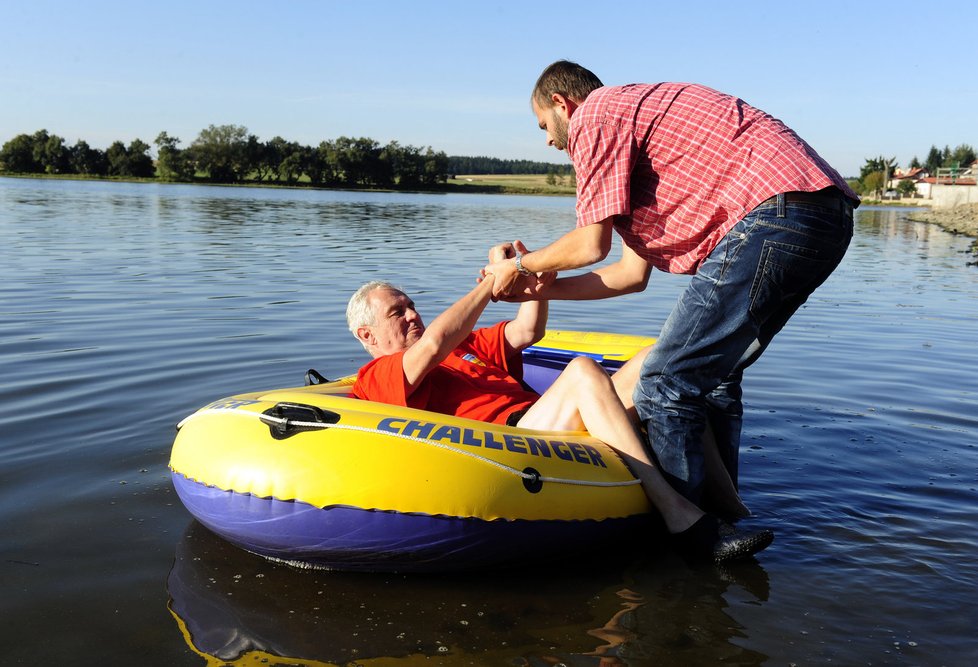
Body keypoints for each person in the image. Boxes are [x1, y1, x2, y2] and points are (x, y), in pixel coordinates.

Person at [483, 60, 857, 515]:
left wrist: (519, 266)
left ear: (563, 103)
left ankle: (691, 528)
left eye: (544, 124)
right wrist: (534, 292)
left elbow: (589, 245)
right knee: (713, 377)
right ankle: (727, 515)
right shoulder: (639, 134)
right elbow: (629, 275)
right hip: (824, 216)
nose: (547, 139)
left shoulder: (595, 115)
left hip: (773, 215)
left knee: (664, 381)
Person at [346, 255, 773, 563]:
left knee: (663, 365)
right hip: (507, 444)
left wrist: (529, 272)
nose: (413, 314)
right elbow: (436, 342)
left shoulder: (468, 347)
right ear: (368, 333)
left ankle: (731, 509)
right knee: (583, 370)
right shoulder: (378, 374)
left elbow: (529, 328)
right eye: (397, 312)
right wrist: (490, 284)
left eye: (412, 305)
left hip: (545, 418)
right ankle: (676, 513)